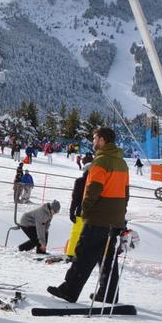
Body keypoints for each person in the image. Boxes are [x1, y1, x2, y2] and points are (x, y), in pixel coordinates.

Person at [49, 127, 129, 303]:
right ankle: (108, 294)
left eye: (95, 138)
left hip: (98, 217)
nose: (93, 142)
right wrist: (120, 215)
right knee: (108, 258)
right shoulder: (122, 163)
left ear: (102, 140)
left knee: (84, 254)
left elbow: (93, 190)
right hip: (115, 219)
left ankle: (69, 291)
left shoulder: (100, 162)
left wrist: (85, 211)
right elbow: (126, 192)